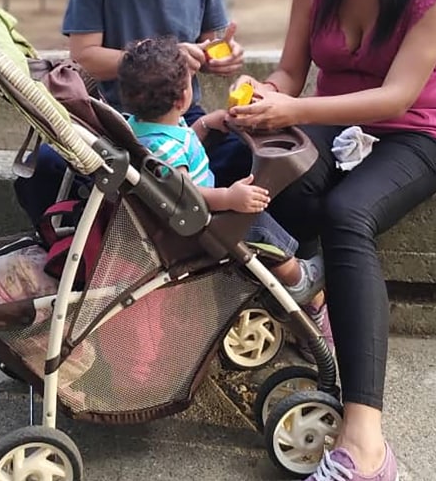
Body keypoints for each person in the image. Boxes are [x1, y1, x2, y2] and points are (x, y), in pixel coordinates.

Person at [229, 0, 436, 481]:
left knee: (346, 213)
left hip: (414, 139)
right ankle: (323, 291)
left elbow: (397, 96)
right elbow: (292, 69)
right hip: (336, 132)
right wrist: (269, 97)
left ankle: (365, 446)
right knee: (268, 185)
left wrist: (299, 106)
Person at [14, 0, 251, 225]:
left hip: (181, 117)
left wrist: (222, 56)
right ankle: (81, 247)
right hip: (116, 122)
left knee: (248, 150)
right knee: (45, 166)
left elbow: (211, 44)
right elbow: (85, 55)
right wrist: (164, 57)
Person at [118, 35, 324, 307]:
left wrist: (204, 125)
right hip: (199, 224)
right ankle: (297, 279)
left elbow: (177, 153)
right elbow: (184, 193)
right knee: (255, 222)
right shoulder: (166, 149)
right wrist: (228, 197)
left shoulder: (143, 127)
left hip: (188, 214)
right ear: (183, 97)